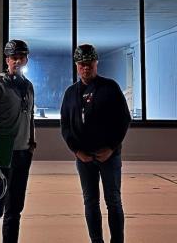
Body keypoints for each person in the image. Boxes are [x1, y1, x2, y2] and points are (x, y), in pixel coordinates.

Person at [60, 44, 131, 243]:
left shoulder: (110, 88)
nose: (86, 68)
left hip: (109, 157)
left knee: (113, 201)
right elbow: (65, 125)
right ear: (76, 65)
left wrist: (111, 147)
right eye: (81, 64)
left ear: (96, 63)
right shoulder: (70, 93)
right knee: (90, 202)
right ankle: (96, 240)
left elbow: (123, 120)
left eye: (89, 64)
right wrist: (76, 151)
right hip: (84, 159)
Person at [0, 39, 36, 243]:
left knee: (15, 210)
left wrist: (32, 143)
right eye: (14, 58)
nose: (18, 61)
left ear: (26, 59)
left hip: (23, 154)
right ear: (7, 59)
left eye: (22, 57)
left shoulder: (28, 86)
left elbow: (30, 116)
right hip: (1, 155)